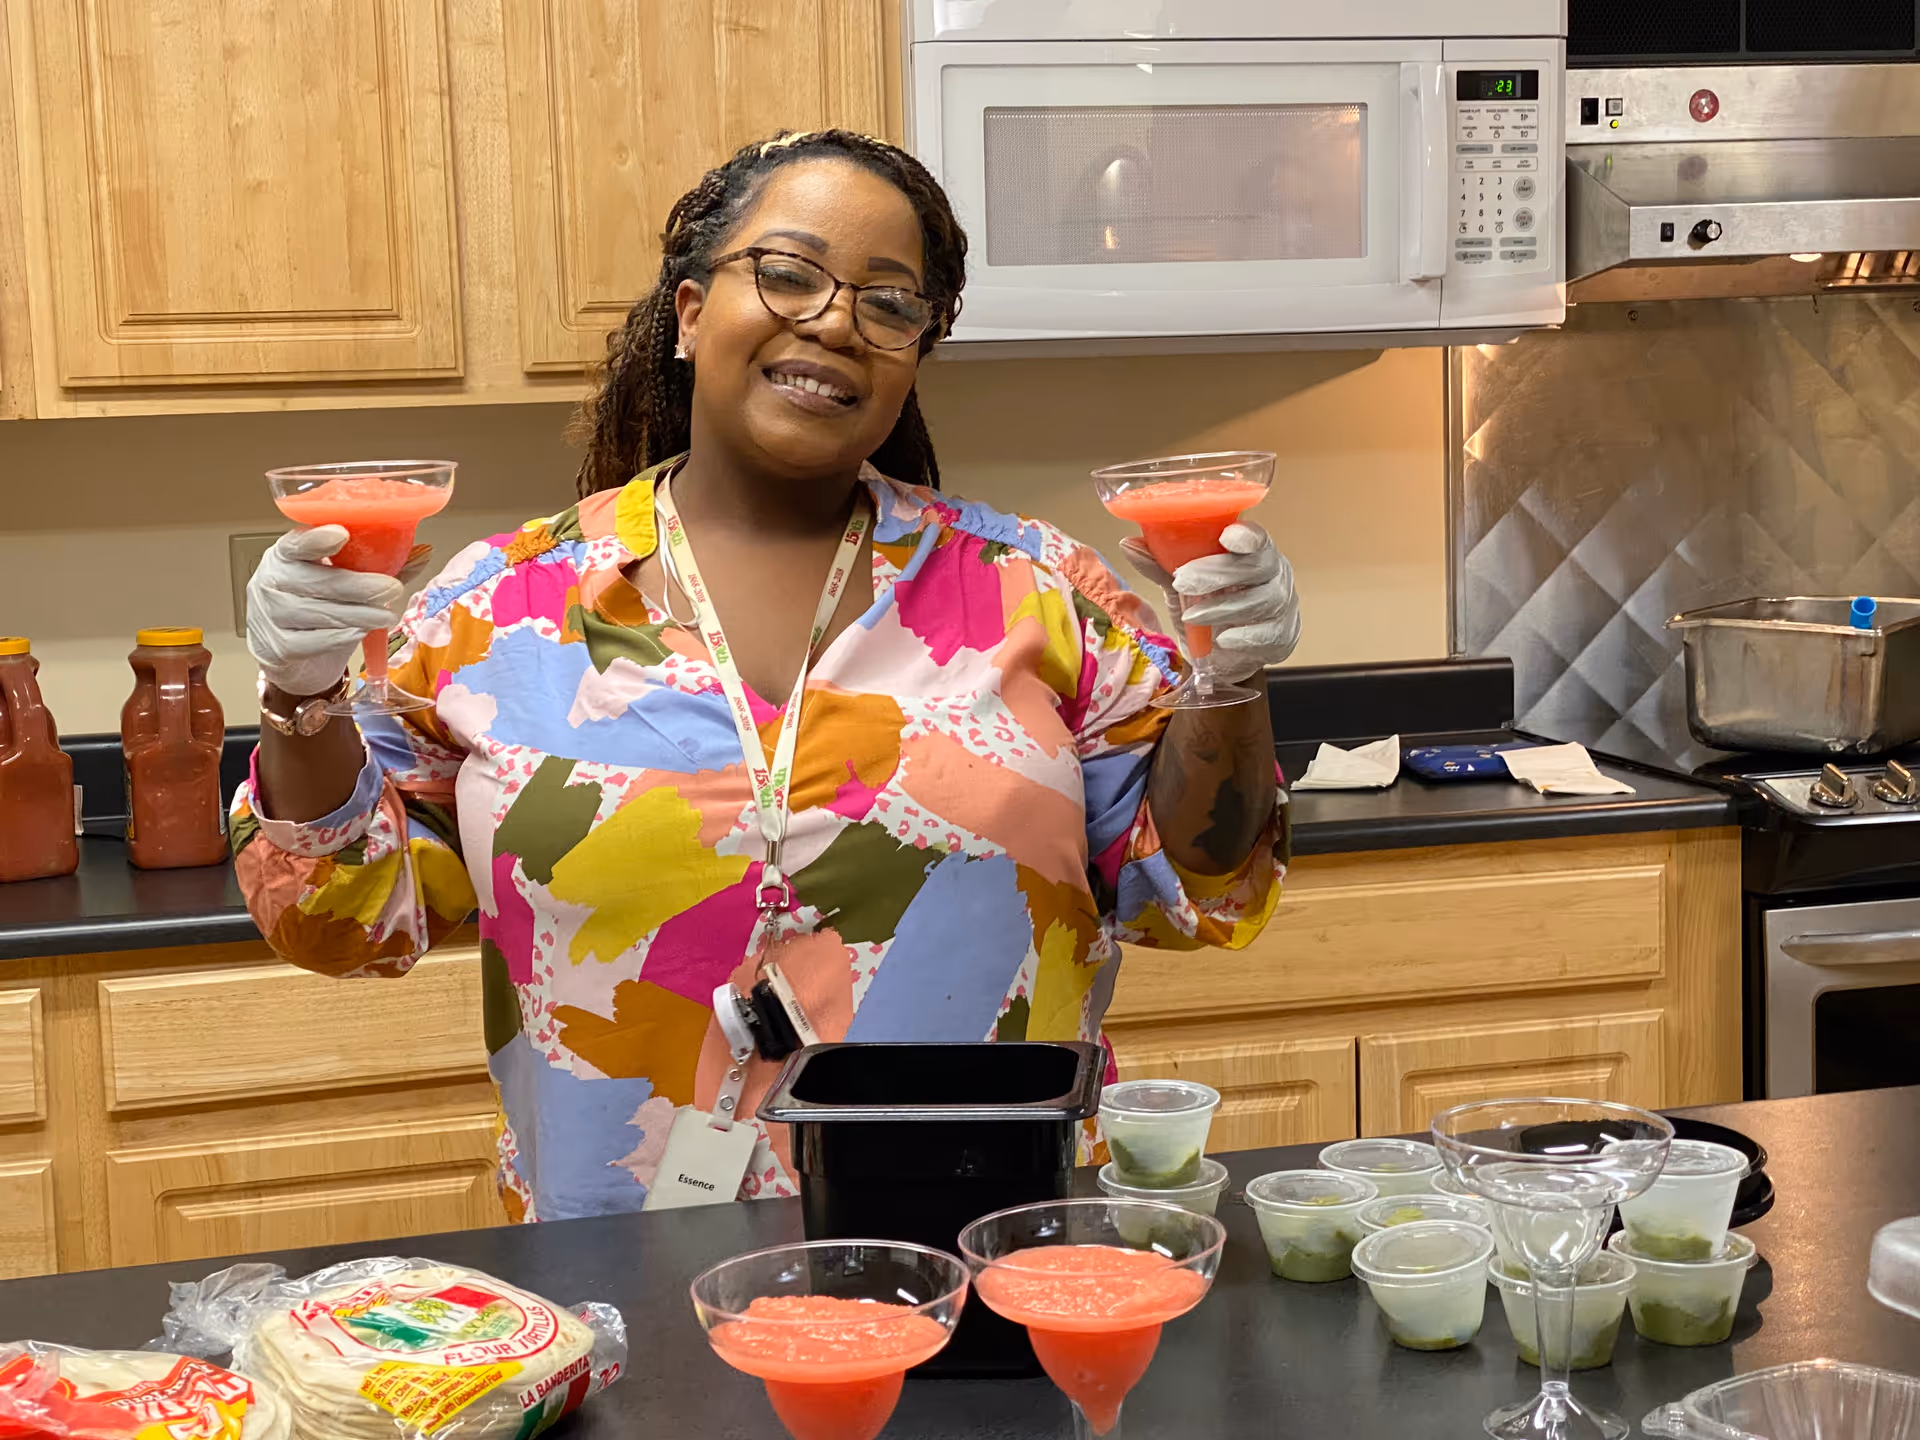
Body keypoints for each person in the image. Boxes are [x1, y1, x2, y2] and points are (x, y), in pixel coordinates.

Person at [233, 130, 1301, 1222]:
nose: (836, 321)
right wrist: (301, 694)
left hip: (995, 1251)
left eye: (890, 303)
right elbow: (341, 919)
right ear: (692, 313)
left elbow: (1198, 890)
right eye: (788, 274)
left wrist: (1230, 679)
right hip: (623, 1267)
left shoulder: (1040, 596)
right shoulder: (493, 612)